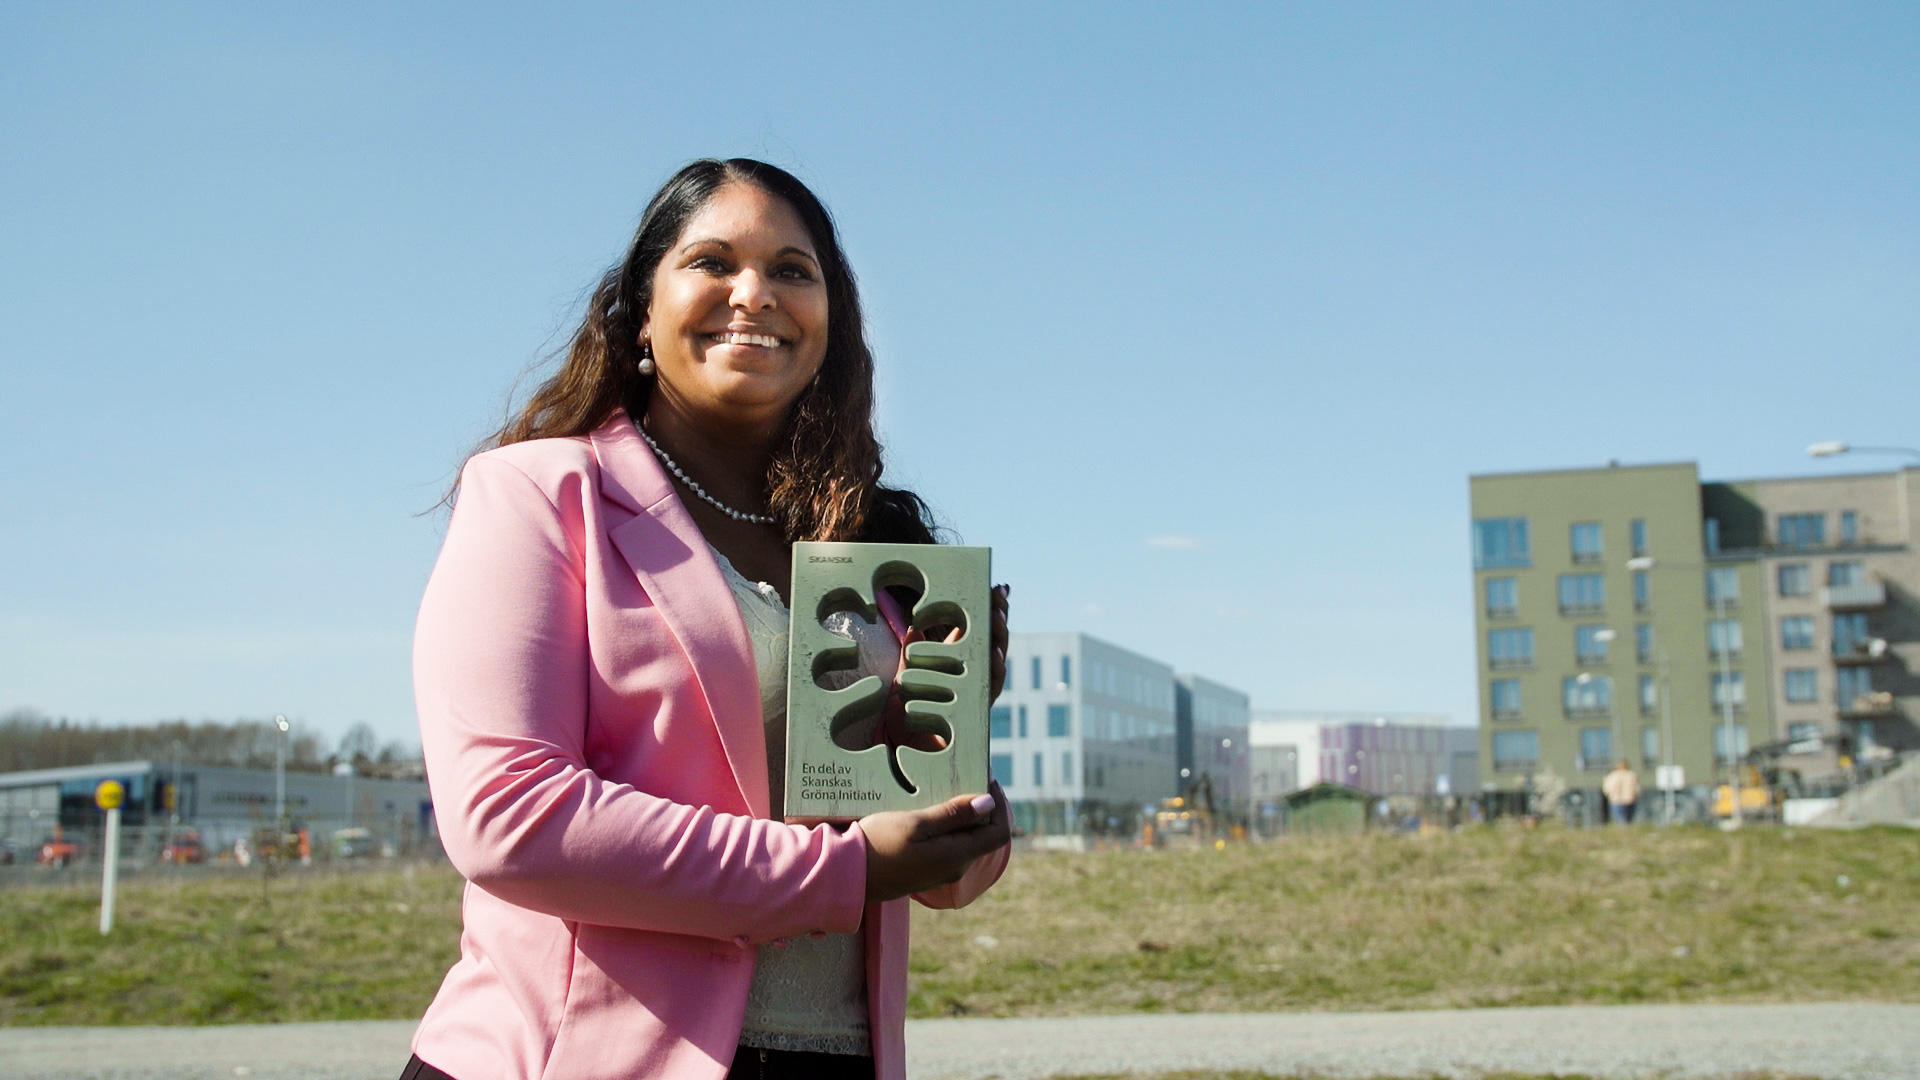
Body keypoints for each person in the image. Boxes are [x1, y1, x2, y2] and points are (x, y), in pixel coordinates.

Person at [403, 159, 1012, 1080]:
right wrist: (841, 876)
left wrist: (948, 743)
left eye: (794, 271)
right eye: (714, 261)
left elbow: (935, 875)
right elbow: (508, 818)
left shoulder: (874, 550)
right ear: (641, 312)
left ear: (833, 323)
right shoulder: (539, 496)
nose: (755, 293)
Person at [1602, 759, 1641, 825]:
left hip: (1617, 800)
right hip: (1630, 800)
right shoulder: (1632, 775)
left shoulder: (1613, 776)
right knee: (1628, 819)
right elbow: (1637, 789)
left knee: (1620, 819)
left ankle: (1622, 831)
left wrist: (1608, 794)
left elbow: (1607, 788)